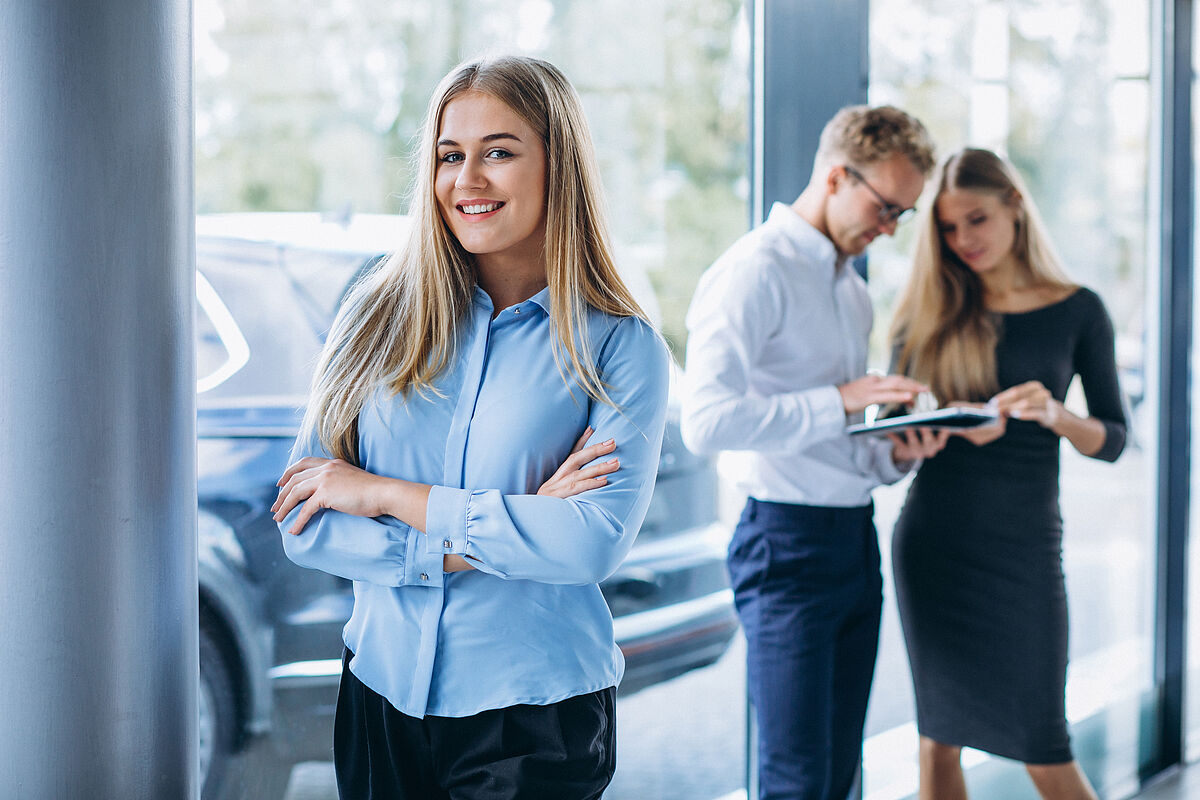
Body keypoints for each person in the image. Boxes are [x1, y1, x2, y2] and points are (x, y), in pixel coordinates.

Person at [270, 55, 669, 800]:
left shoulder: (619, 344)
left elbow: (587, 543)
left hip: (535, 718)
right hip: (379, 696)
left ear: (560, 164)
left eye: (499, 153)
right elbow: (305, 522)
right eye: (451, 156)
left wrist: (383, 493)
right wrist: (506, 531)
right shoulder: (374, 314)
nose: (468, 180)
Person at [681, 105, 948, 800]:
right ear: (835, 176)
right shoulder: (751, 273)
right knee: (796, 780)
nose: (889, 228)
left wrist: (894, 455)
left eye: (903, 214)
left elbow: (835, 438)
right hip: (784, 545)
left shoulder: (852, 293)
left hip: (854, 542)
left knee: (836, 773)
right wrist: (840, 398)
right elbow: (705, 423)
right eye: (885, 207)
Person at [888, 147, 1127, 800]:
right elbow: (889, 434)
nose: (962, 239)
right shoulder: (926, 310)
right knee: (937, 742)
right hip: (936, 544)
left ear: (1015, 207)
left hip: (1024, 551)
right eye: (947, 227)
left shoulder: (1078, 309)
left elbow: (1113, 440)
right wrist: (924, 433)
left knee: (1045, 747)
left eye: (976, 219)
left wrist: (1056, 415)